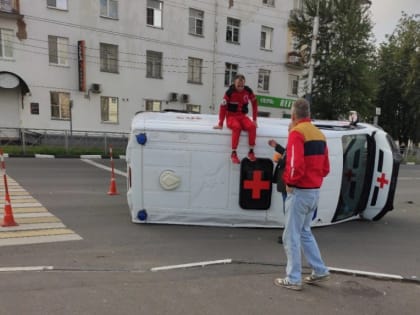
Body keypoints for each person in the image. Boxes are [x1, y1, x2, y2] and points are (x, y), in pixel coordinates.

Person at [274, 98, 330, 291]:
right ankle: (320, 270)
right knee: (305, 232)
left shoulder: (297, 133)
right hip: (314, 192)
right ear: (308, 114)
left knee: (291, 236)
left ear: (293, 115)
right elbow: (325, 168)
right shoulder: (320, 135)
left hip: (299, 192)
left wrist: (290, 183)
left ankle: (294, 278)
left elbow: (294, 165)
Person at [213, 74, 258, 164]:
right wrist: (221, 123)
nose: (240, 88)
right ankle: (233, 153)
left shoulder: (248, 91)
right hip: (231, 117)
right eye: (238, 85)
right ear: (234, 83)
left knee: (252, 127)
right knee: (237, 127)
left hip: (242, 116)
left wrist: (254, 120)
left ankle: (251, 151)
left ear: (244, 84)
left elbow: (255, 103)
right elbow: (223, 107)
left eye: (242, 85)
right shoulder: (229, 92)